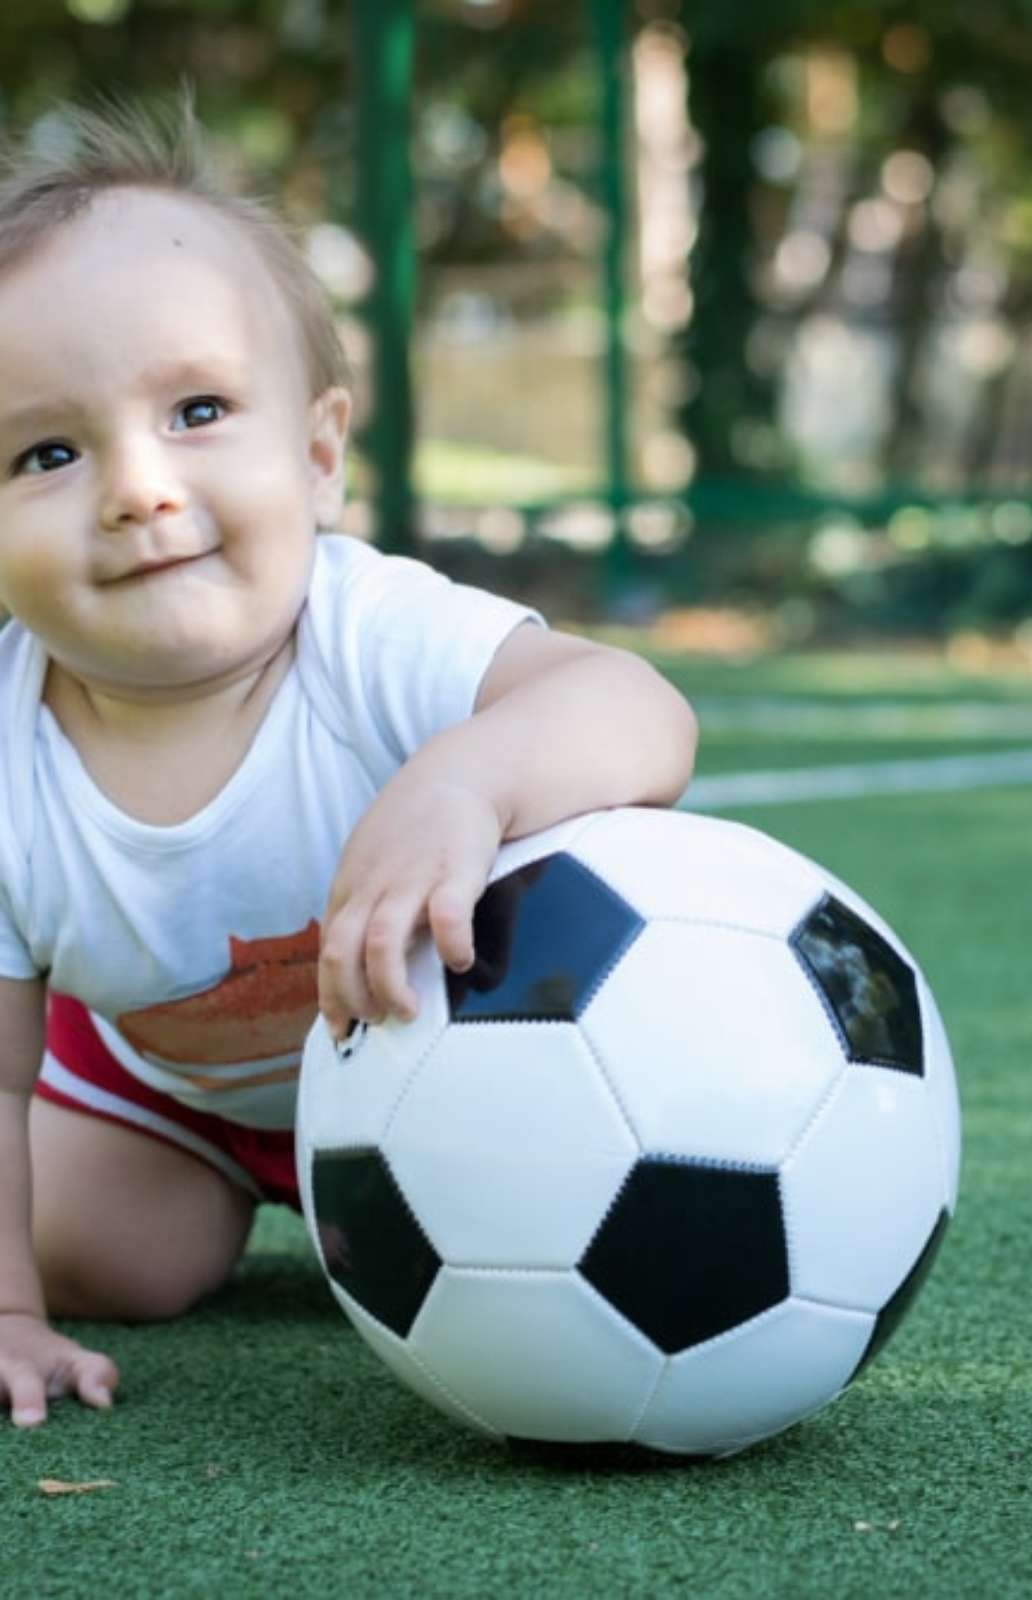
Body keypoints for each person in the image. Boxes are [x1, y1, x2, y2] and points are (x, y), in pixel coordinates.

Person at [0, 97, 698, 1429]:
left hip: (459, 1065)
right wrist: (5, 1313)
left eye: (196, 409)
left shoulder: (368, 634)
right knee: (119, 1263)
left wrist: (464, 781)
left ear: (319, 455)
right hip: (165, 1093)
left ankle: (379, 1196)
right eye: (48, 450)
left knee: (541, 1239)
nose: (138, 487)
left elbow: (638, 706)